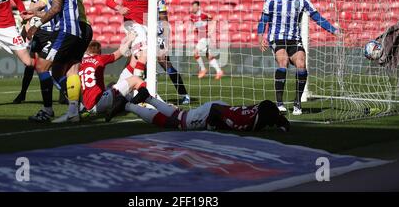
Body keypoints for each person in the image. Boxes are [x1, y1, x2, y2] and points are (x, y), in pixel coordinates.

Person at [257, 0, 341, 115]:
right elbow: (264, 18)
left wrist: (334, 30)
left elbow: (317, 17)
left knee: (301, 65)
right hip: (277, 38)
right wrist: (260, 36)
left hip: (294, 39)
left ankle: (297, 102)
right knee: (283, 62)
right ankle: (280, 103)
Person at [22, 0, 84, 123]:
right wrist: (35, 14)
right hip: (73, 30)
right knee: (57, 71)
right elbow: (57, 7)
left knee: (42, 67)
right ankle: (76, 107)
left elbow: (56, 8)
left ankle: (50, 110)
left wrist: (36, 25)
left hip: (66, 30)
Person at [99, 75, 290, 132]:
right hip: (214, 111)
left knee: (180, 117)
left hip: (217, 107)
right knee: (177, 123)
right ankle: (126, 105)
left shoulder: (259, 114)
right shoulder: (255, 120)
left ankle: (147, 98)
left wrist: (281, 123)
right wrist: (215, 124)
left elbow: (275, 117)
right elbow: (220, 114)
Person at [105, 0, 149, 80]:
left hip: (146, 23)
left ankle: (120, 88)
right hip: (132, 24)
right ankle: (139, 92)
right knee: (143, 53)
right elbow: (108, 0)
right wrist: (119, 7)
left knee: (137, 60)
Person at [78, 35, 135, 116]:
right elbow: (120, 52)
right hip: (97, 103)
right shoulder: (99, 58)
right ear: (99, 51)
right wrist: (130, 40)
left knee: (111, 84)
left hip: (84, 104)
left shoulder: (79, 62)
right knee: (133, 81)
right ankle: (125, 106)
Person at [157, 0, 190, 105]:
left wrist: (165, 38)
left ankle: (184, 94)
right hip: (142, 31)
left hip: (158, 34)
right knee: (136, 60)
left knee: (164, 62)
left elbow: (164, 18)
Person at [190, 1, 224, 80]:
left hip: (205, 38)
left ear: (198, 7)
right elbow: (196, 25)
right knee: (209, 56)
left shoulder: (203, 15)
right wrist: (195, 29)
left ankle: (203, 69)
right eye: (193, 6)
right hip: (201, 38)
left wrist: (211, 31)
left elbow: (215, 19)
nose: (193, 8)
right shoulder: (192, 17)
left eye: (195, 6)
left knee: (195, 52)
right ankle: (219, 71)